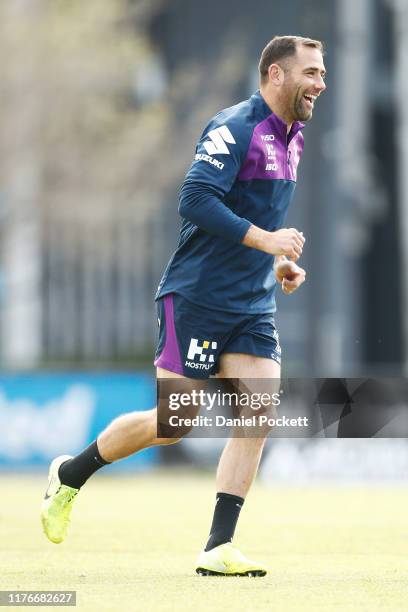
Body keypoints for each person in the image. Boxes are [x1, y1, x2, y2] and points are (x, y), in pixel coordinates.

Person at [41, 35, 326, 576]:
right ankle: (71, 473)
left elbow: (260, 221)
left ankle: (218, 545)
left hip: (251, 305)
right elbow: (194, 200)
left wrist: (279, 264)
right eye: (310, 72)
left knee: (259, 411)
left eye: (322, 72)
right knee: (174, 423)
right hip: (196, 297)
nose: (320, 83)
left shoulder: (294, 140)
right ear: (275, 75)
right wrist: (268, 242)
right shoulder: (234, 127)